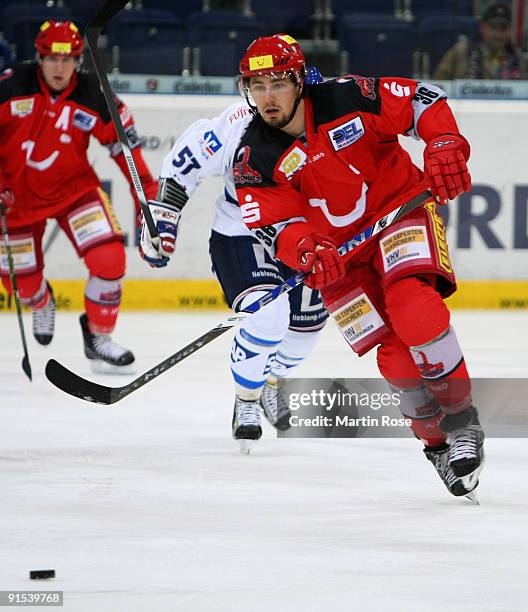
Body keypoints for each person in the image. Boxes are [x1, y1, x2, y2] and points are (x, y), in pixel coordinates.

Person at [227, 33, 485, 498]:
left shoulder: (349, 95)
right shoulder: (253, 157)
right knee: (392, 356)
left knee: (414, 308)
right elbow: (273, 222)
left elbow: (423, 101)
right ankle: (437, 445)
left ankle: (464, 421)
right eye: (257, 85)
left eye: (277, 83)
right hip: (338, 258)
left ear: (300, 81)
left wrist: (444, 141)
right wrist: (305, 249)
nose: (267, 97)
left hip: (399, 213)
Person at [139, 64, 328, 452]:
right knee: (268, 315)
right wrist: (163, 220)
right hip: (244, 232)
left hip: (311, 237)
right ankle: (247, 398)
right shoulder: (240, 124)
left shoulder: (337, 123)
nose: (273, 98)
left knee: (306, 329)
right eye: (263, 87)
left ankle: (272, 379)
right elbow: (183, 164)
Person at [0, 21, 158, 373]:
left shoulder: (94, 94)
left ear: (79, 60)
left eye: (69, 59)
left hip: (74, 192)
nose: (60, 68)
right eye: (53, 60)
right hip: (14, 200)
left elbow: (126, 150)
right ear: (39, 59)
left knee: (110, 259)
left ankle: (99, 337)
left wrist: (145, 198)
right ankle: (41, 302)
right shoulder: (9, 87)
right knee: (22, 285)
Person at [433, 2, 527, 80]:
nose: (498, 34)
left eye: (503, 28)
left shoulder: (517, 57)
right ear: (482, 27)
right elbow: (439, 86)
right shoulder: (460, 52)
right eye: (494, 27)